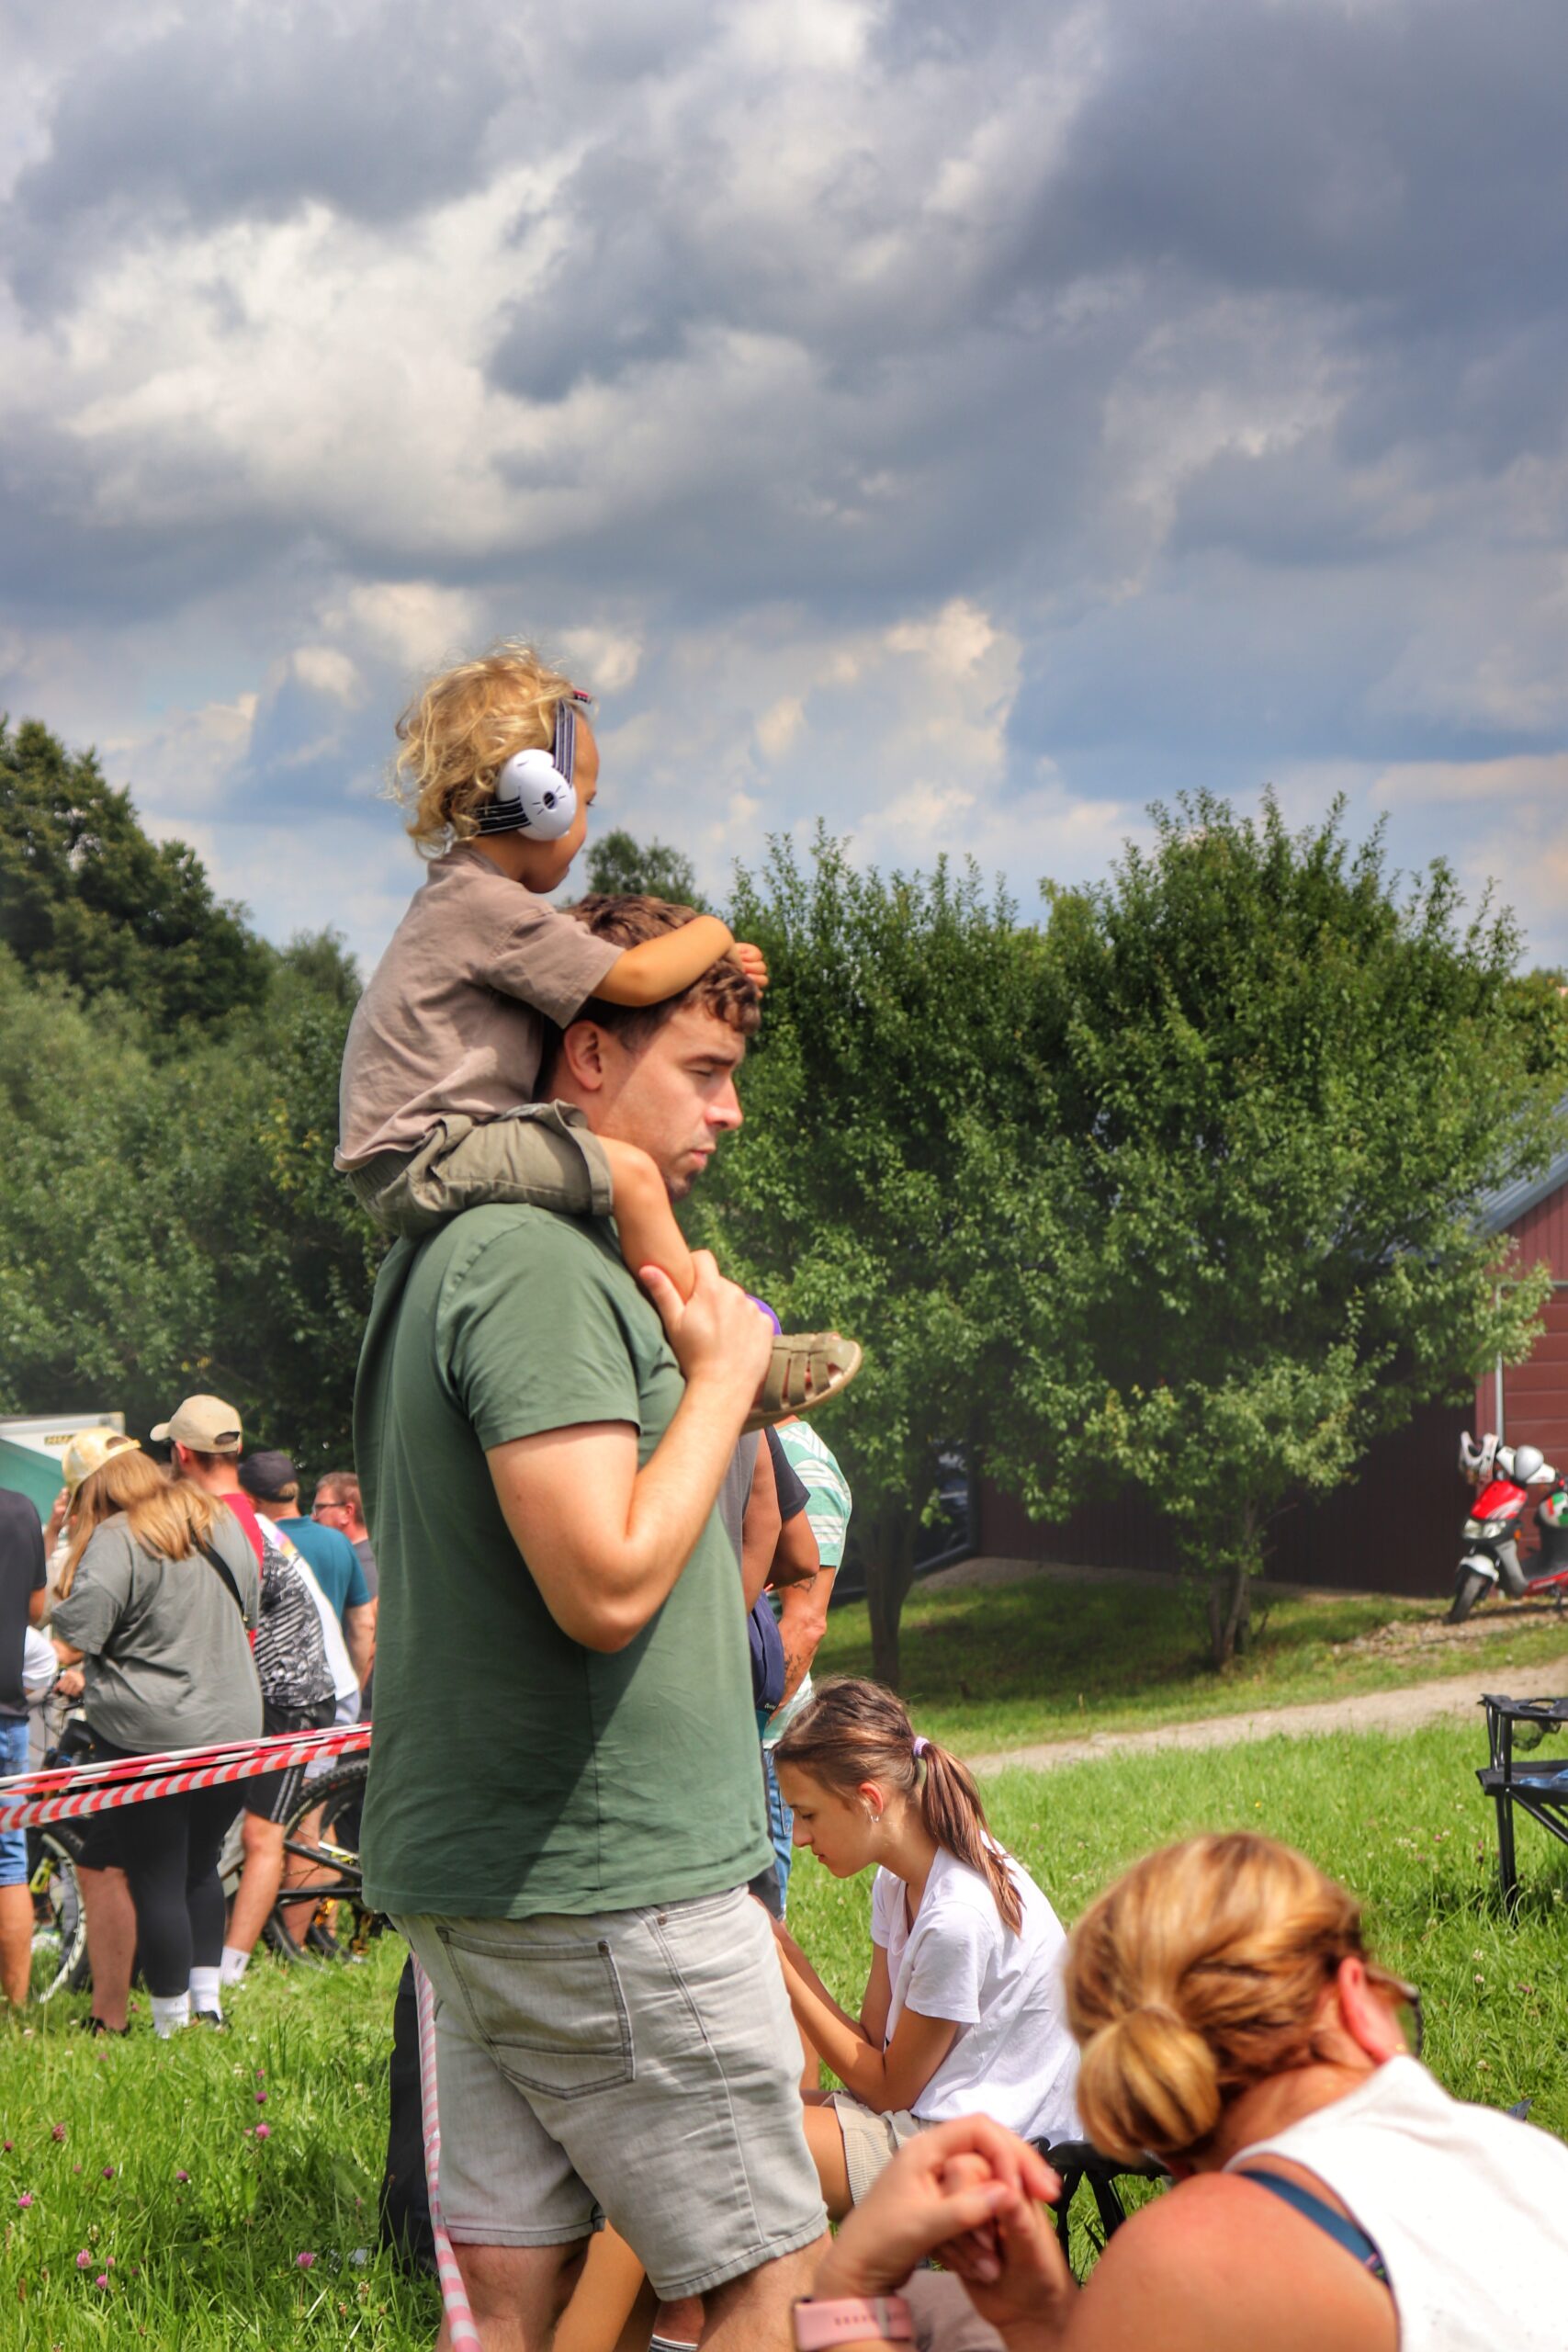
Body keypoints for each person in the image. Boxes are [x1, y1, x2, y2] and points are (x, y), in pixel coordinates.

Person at [357, 891, 829, 2350]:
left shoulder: (471, 1250)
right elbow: (604, 1584)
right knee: (760, 2284)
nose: (729, 1113)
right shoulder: (535, 1265)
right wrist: (725, 1382)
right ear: (584, 1058)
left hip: (512, 1882)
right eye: (703, 1071)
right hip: (609, 1882)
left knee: (528, 2300)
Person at [336, 642, 858, 1430]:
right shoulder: (486, 908)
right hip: (425, 1154)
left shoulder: (469, 904)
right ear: (536, 799)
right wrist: (713, 930)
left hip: (415, 1151)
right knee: (632, 1178)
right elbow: (636, 980)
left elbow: (602, 968)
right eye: (583, 801)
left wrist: (707, 964)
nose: (584, 824)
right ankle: (723, 1354)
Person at [806, 1833, 1568, 2352]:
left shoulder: (1190, 2262)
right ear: (1358, 1999)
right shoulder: (1534, 2162)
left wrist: (846, 2296)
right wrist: (1044, 2323)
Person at [772, 1679, 1080, 2219]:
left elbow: (889, 2091)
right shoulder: (898, 1881)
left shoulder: (956, 1915)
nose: (798, 1837)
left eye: (809, 1814)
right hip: (930, 2120)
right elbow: (874, 2047)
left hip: (985, 2153)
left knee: (734, 2143)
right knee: (723, 2123)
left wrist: (779, 1965)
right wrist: (783, 1950)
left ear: (869, 1799)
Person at [51, 1448, 262, 2034]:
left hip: (150, 1732)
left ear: (96, 1492)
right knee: (201, 1866)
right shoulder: (218, 1519)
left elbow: (79, 1628)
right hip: (234, 1725)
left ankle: (169, 2025)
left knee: (157, 1875)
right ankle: (207, 2007)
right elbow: (251, 1607)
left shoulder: (118, 1535)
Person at [153, 1396, 337, 1986]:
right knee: (271, 1831)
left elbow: (237, 1624)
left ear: (182, 1452)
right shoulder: (237, 1511)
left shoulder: (228, 1519)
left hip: (290, 1694)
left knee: (263, 1834)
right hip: (277, 1689)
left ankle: (231, 1969)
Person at [765, 1410, 853, 1909]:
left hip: (757, 1741)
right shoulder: (751, 1446)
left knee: (758, 1923)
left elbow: (804, 1623)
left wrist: (740, 1729)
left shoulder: (803, 1464)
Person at [239, 1450, 376, 1692]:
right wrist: (350, 1687)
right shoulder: (338, 1541)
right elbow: (364, 1625)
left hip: (276, 1694)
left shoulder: (253, 1545)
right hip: (332, 1689)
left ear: (250, 1500)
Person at [0, 1475, 49, 2005]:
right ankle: (14, 2006)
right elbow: (36, 1610)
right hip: (6, 1709)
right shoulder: (20, 1510)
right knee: (8, 1863)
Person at [312, 1468, 378, 1597]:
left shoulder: (363, 1566)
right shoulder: (378, 1555)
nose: (313, 1517)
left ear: (347, 1512)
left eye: (319, 1508)